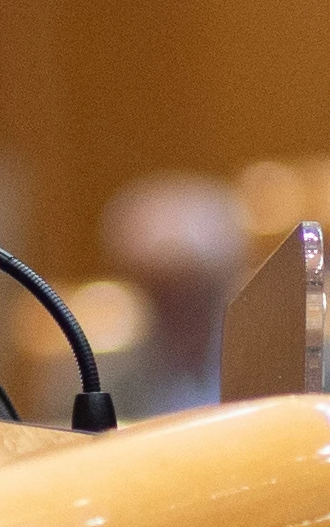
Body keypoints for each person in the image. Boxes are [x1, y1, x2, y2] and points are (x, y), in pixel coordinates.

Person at [100, 169, 249, 419]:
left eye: (196, 287)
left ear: (229, 278)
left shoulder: (303, 371)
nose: (182, 308)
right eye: (163, 289)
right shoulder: (91, 384)